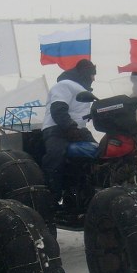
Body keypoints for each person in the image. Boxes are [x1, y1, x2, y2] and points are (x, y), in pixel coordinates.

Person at [41, 59, 97, 202]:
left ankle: (90, 189)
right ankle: (51, 198)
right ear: (85, 73)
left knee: (100, 154)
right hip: (57, 129)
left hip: (78, 130)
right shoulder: (64, 85)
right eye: (92, 74)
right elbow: (58, 109)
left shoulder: (83, 91)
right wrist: (70, 128)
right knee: (55, 157)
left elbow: (80, 114)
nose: (94, 79)